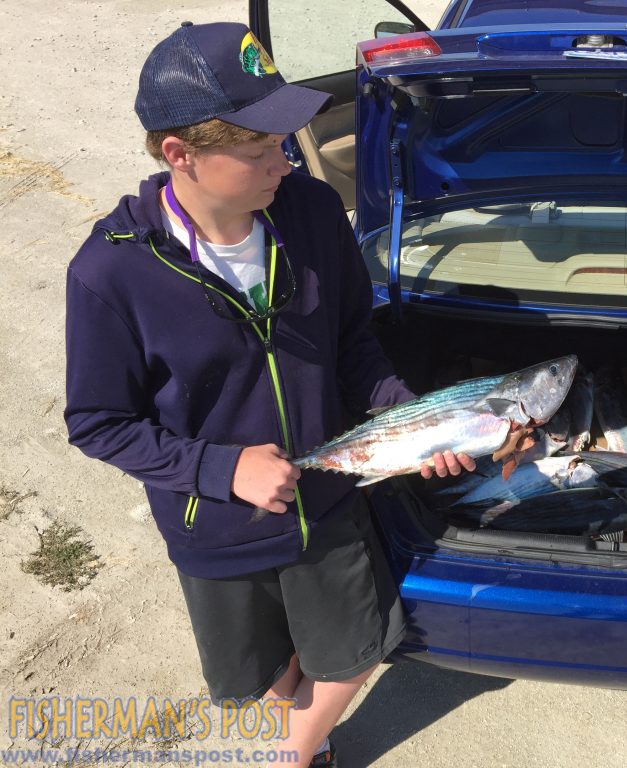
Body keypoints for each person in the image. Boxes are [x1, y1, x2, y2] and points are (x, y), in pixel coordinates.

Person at [64, 21, 473, 768]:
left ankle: (292, 756)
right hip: (217, 526)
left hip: (328, 507)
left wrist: (405, 415)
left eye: (285, 142)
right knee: (258, 673)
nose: (284, 163)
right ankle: (293, 728)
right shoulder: (110, 274)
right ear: (179, 153)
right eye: (257, 151)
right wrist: (222, 471)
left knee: (351, 650)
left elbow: (353, 342)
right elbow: (98, 423)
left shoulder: (313, 214)